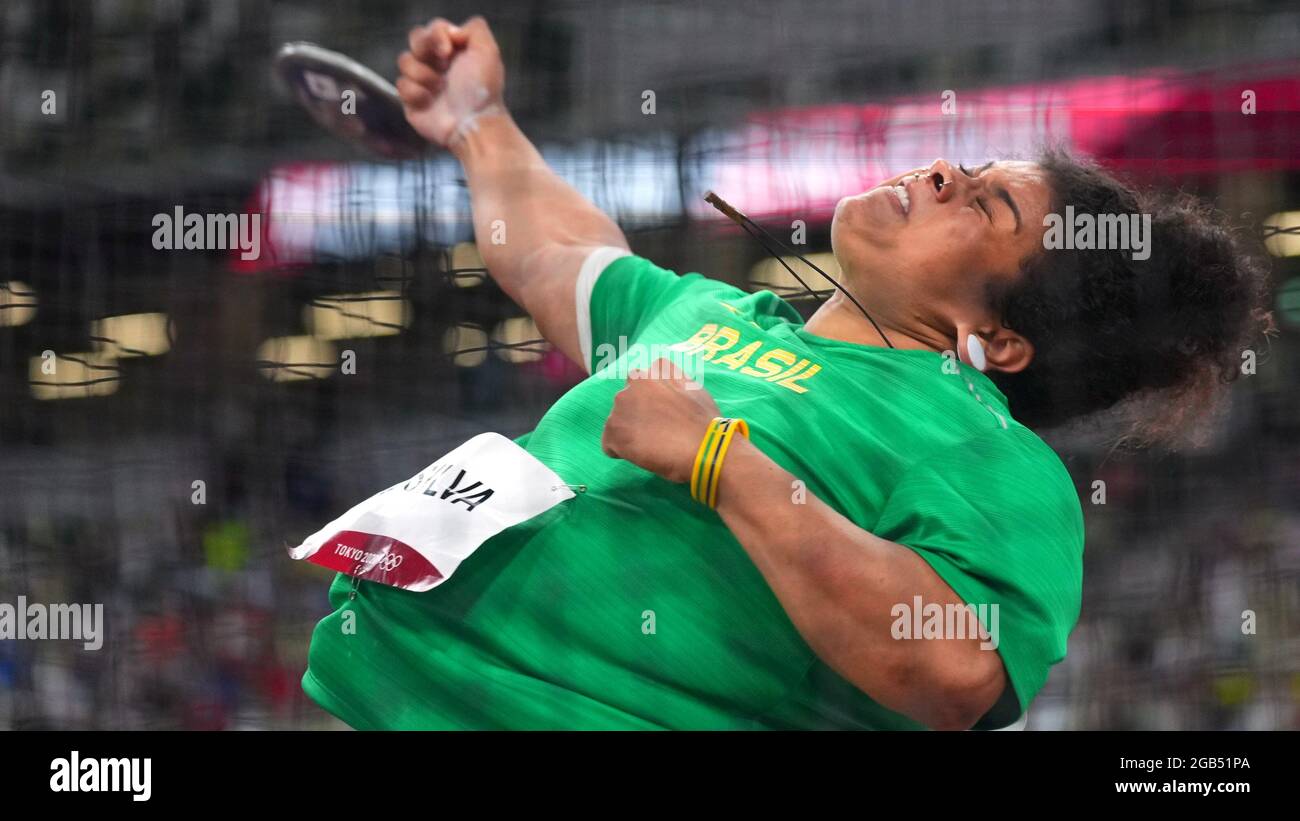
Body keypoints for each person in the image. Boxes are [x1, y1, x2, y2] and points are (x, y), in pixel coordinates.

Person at [300, 16, 1271, 729]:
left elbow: (951, 670)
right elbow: (551, 251)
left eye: (980, 206)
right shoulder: (710, 313)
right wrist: (479, 124)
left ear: (1000, 336)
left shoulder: (986, 451)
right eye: (962, 166)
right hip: (364, 698)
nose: (938, 172)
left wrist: (725, 462)